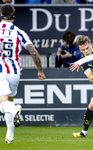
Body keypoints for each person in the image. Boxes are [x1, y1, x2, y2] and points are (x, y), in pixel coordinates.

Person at [0, 4, 46, 144]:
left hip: (1, 72)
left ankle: (14, 109)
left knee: (4, 104)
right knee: (9, 101)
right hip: (15, 73)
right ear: (13, 16)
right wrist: (40, 70)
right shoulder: (19, 32)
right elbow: (33, 51)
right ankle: (10, 135)